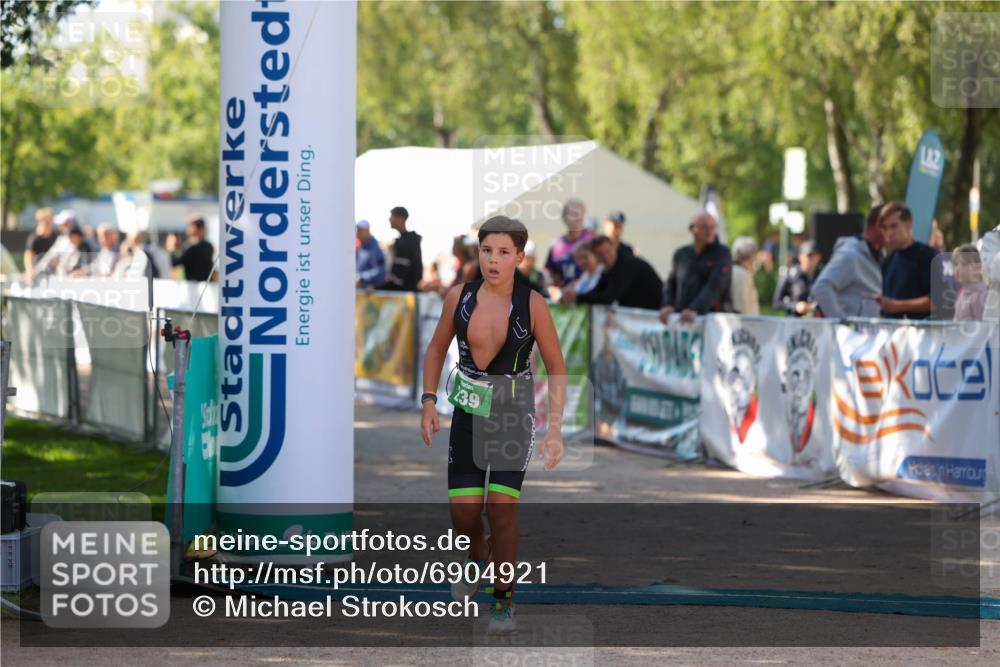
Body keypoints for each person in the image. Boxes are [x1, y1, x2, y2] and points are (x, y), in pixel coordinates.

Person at [420, 215, 565, 635]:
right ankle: (477, 555)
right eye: (487, 251)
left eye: (504, 252)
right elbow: (434, 351)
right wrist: (429, 401)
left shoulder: (532, 304)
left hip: (514, 416)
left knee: (502, 510)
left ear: (519, 256)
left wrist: (554, 429)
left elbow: (556, 367)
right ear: (477, 252)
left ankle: (503, 602)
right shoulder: (458, 298)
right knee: (463, 516)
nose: (493, 260)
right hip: (468, 412)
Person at [811, 204, 885, 319]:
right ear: (875, 226)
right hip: (854, 334)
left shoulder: (881, 254)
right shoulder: (850, 255)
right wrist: (841, 322)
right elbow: (821, 287)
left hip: (872, 333)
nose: (891, 233)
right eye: (888, 227)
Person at [659, 210, 732, 324]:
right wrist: (667, 304)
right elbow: (670, 282)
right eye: (704, 227)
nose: (709, 231)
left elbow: (716, 286)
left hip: (711, 323)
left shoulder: (722, 254)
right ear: (692, 229)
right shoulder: (681, 254)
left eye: (713, 227)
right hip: (683, 321)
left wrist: (696, 308)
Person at [562, 235, 663, 310]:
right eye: (601, 254)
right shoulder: (608, 268)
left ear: (614, 248)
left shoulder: (626, 265)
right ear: (596, 257)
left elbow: (609, 297)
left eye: (608, 251)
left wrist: (578, 297)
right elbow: (599, 289)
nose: (606, 257)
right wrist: (574, 295)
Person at [877, 202, 939, 320]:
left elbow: (939, 301)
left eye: (894, 226)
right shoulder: (888, 260)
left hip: (923, 334)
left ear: (909, 223)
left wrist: (896, 306)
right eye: (884, 228)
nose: (889, 233)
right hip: (892, 334)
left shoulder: (929, 256)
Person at [544, 198, 594, 288]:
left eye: (579, 213)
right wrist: (551, 287)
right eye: (572, 213)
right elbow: (548, 272)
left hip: (588, 296)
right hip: (563, 297)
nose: (576, 217)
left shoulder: (592, 240)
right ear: (564, 217)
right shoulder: (556, 244)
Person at [772, 240, 822, 317]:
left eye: (815, 256)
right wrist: (795, 306)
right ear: (801, 256)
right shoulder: (791, 274)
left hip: (817, 321)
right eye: (809, 256)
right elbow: (776, 301)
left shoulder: (822, 275)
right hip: (795, 321)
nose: (812, 259)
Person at [382, 206, 423, 291]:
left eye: (392, 216)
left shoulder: (406, 243)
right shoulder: (404, 241)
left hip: (406, 295)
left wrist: (377, 288)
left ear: (401, 219)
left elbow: (398, 279)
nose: (390, 219)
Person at [166, 216, 215, 282]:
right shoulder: (209, 246)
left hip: (193, 286)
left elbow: (175, 263)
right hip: (207, 284)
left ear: (197, 229)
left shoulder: (191, 247)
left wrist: (171, 248)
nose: (188, 229)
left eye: (190, 226)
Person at [952, 244, 988, 321]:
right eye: (956, 264)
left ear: (977, 267)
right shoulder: (964, 292)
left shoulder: (980, 295)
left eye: (964, 264)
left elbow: (983, 329)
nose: (958, 269)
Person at [24, 207, 57, 282]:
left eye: (49, 221)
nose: (47, 223)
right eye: (44, 221)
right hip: (37, 271)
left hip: (51, 271)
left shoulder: (55, 237)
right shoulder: (34, 238)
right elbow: (28, 255)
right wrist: (29, 271)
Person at [729, 236, 760, 315]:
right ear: (751, 255)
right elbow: (741, 306)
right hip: (745, 323)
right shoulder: (743, 275)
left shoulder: (735, 270)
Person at [355, 219, 386, 288]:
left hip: (368, 291)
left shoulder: (374, 247)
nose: (358, 232)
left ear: (367, 230)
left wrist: (362, 279)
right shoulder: (360, 246)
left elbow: (381, 271)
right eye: (358, 230)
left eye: (360, 230)